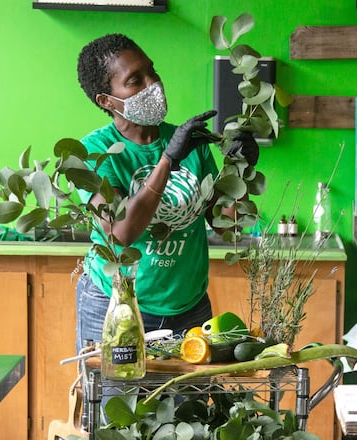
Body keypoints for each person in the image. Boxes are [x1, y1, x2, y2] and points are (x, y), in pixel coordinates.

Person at [74, 33, 259, 355]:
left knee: (191, 404)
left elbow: (227, 226)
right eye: (135, 80)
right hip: (117, 302)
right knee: (120, 401)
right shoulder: (93, 152)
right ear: (106, 99)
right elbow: (121, 233)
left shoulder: (187, 142)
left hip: (189, 306)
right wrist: (168, 161)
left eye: (152, 72)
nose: (153, 84)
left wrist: (238, 170)